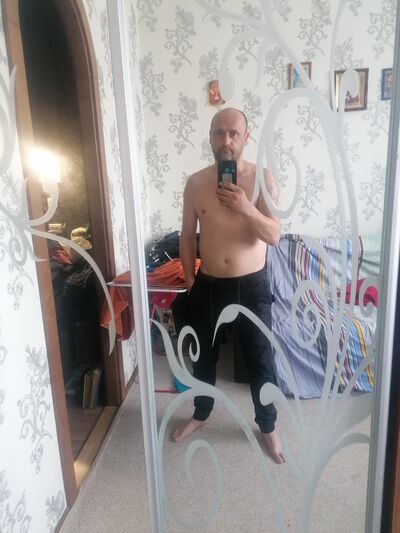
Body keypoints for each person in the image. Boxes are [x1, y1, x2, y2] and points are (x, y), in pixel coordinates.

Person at [173, 107, 284, 464]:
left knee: (261, 361)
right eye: (219, 133)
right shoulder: (195, 183)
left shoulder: (262, 178)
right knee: (203, 359)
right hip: (208, 286)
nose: (226, 140)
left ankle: (268, 425)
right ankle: (201, 413)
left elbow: (274, 235)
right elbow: (187, 236)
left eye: (234, 133)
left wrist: (245, 207)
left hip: (252, 286)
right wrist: (190, 279)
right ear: (210, 138)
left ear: (245, 138)